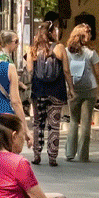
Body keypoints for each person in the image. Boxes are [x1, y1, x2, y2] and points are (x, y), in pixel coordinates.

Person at [28, 24, 69, 166]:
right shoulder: (59, 48)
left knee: (38, 123)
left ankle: (37, 154)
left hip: (38, 91)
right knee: (54, 125)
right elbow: (66, 70)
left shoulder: (33, 49)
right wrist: (71, 88)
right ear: (52, 32)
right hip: (57, 91)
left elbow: (29, 70)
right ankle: (52, 157)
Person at [62, 23, 99, 162]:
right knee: (86, 122)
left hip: (74, 89)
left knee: (73, 120)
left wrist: (69, 87)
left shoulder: (66, 52)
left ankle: (70, 153)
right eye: (88, 34)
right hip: (89, 89)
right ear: (85, 36)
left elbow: (65, 70)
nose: (90, 36)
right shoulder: (91, 53)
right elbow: (98, 72)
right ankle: (83, 155)